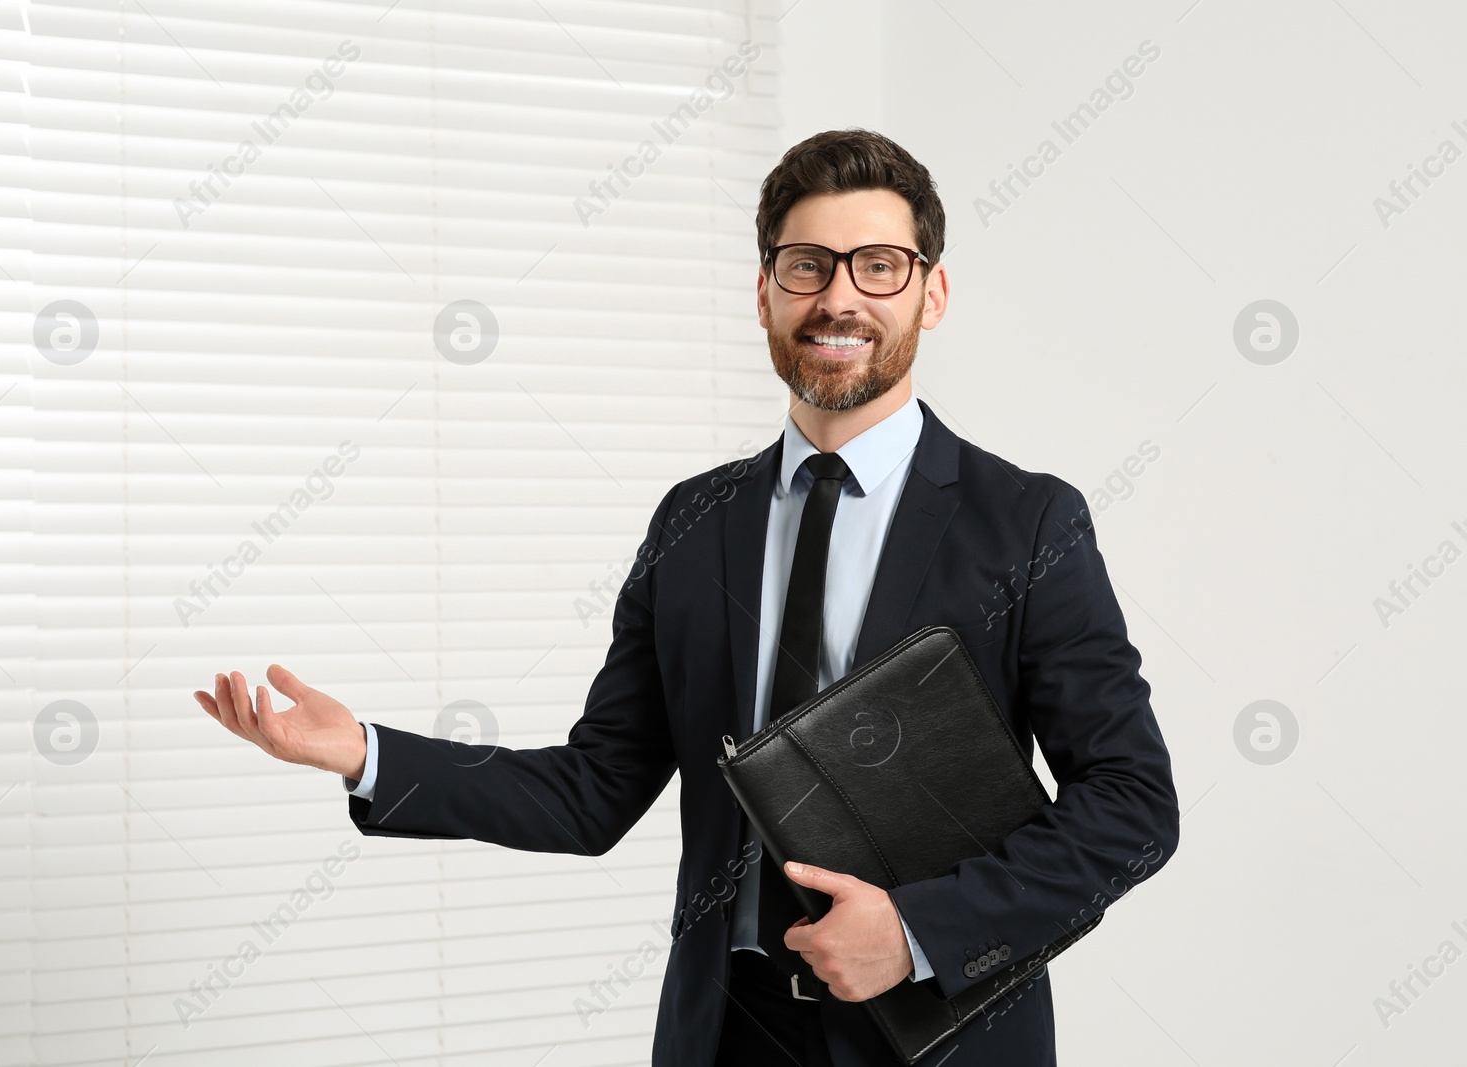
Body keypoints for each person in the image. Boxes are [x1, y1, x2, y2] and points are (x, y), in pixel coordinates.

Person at [195, 129, 1180, 1067]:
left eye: (878, 265)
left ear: (932, 292)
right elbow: (593, 788)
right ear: (763, 293)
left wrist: (921, 931)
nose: (839, 297)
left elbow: (1131, 804)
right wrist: (367, 750)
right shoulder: (694, 520)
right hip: (724, 1031)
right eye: (806, 266)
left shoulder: (1026, 523)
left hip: (934, 1033)